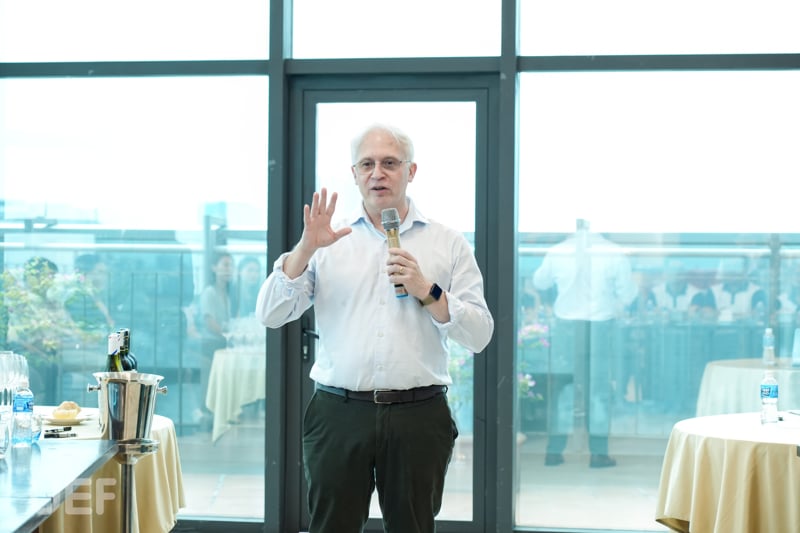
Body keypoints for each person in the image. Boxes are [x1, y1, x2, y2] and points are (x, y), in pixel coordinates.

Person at [256, 123, 494, 533]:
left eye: (389, 163)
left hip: (419, 415)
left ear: (411, 171)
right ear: (354, 174)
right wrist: (305, 247)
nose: (377, 173)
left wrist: (428, 290)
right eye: (366, 164)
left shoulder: (447, 242)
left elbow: (479, 334)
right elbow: (270, 313)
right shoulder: (328, 240)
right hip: (339, 413)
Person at [533, 219, 637, 468]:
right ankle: (598, 454)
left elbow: (540, 282)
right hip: (600, 325)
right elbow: (628, 293)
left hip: (566, 326)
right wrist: (614, 302)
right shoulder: (613, 252)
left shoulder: (558, 251)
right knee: (598, 390)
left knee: (563, 389)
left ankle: (554, 451)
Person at [65, 253, 115, 335]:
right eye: (100, 272)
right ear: (85, 273)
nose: (105, 276)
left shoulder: (98, 296)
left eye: (106, 273)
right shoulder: (78, 299)